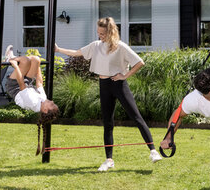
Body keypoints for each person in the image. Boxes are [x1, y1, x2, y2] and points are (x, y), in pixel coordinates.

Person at [55, 17, 161, 171]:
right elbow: (77, 53)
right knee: (108, 123)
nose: (100, 36)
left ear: (111, 32)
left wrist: (125, 76)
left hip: (118, 85)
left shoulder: (121, 47)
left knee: (136, 117)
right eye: (98, 33)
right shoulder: (96, 45)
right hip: (104, 85)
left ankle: (153, 151)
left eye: (103, 33)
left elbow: (139, 62)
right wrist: (58, 50)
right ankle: (109, 160)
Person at [2, 45, 60, 155]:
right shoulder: (43, 100)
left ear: (45, 110)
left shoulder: (33, 102)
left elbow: (21, 83)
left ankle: (9, 59)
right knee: (35, 59)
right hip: (26, 84)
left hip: (15, 86)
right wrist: (37, 66)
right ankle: (14, 58)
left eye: (52, 105)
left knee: (25, 61)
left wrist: (16, 67)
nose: (52, 101)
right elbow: (39, 83)